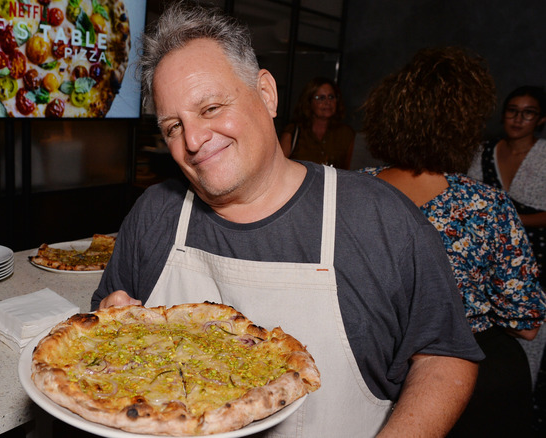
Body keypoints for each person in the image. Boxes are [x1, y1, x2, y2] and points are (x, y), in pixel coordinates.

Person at [91, 2, 483, 436]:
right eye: (173, 127)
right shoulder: (155, 212)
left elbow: (443, 356)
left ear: (266, 94)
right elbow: (106, 312)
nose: (195, 140)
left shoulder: (379, 217)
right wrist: (114, 323)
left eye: (211, 108)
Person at [360, 46, 545, 437]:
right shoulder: (484, 205)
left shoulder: (348, 193)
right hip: (470, 382)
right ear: (463, 127)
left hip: (368, 368)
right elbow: (526, 322)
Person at [468, 86, 546, 433]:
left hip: (536, 256)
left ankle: (522, 409)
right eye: (513, 110)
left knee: (530, 331)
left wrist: (507, 219)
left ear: (540, 120)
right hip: (487, 257)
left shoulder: (544, 155)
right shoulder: (484, 152)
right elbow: (467, 202)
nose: (518, 118)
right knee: (489, 332)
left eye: (527, 112)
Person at [279, 77, 355, 169]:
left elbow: (352, 171)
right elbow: (279, 169)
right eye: (321, 98)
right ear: (309, 102)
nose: (328, 102)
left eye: (331, 97)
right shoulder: (293, 132)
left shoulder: (346, 134)